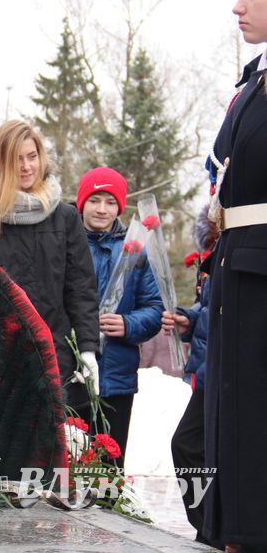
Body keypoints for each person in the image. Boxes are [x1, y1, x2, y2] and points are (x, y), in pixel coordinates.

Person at [198, 0, 267, 553]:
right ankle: (234, 531)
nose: (238, 7)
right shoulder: (252, 82)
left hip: (260, 266)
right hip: (236, 266)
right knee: (225, 416)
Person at [0, 120, 100, 410]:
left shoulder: (65, 217)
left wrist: (88, 348)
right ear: (1, 162)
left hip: (55, 354)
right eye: (16, 159)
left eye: (32, 156)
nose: (26, 167)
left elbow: (81, 289)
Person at [76, 167, 163, 464]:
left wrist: (128, 323)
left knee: (107, 469)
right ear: (82, 203)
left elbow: (154, 307)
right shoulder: (65, 244)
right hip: (71, 375)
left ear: (120, 207)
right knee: (67, 468)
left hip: (116, 378)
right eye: (95, 200)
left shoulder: (135, 250)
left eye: (110, 202)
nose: (102, 209)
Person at [164, 203, 222, 551]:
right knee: (188, 446)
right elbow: (211, 306)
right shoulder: (215, 249)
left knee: (199, 447)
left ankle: (217, 530)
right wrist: (189, 317)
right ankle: (208, 527)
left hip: (232, 368)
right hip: (210, 368)